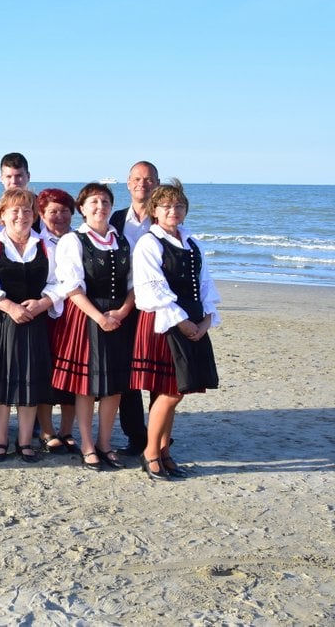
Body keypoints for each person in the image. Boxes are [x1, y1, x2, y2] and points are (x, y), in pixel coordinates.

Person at [131, 179, 220, 480]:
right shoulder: (149, 243)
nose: (173, 210)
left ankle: (164, 450)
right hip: (164, 323)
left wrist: (206, 320)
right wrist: (182, 322)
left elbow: (205, 284)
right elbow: (152, 289)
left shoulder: (192, 243)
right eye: (167, 206)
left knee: (174, 392)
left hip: (192, 321)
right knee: (171, 392)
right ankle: (150, 453)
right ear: (154, 210)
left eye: (179, 205)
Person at [0, 188, 61, 463]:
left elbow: (61, 282)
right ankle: (0, 440)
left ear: (35, 215)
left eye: (27, 210)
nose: (21, 216)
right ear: (2, 215)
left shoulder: (47, 247)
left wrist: (43, 303)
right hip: (2, 323)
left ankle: (24, 442)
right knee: (1, 382)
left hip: (35, 322)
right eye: (15, 211)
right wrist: (9, 306)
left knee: (29, 383)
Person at [51, 183, 134, 471]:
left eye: (105, 202)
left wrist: (122, 312)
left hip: (119, 316)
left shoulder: (123, 240)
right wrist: (100, 317)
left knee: (115, 386)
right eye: (94, 202)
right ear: (82, 209)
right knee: (86, 385)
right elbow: (72, 287)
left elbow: (134, 283)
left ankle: (105, 443)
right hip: (86, 316)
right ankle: (87, 444)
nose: (100, 207)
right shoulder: (73, 241)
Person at [110, 161, 161, 456]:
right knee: (127, 373)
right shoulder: (116, 219)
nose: (143, 183)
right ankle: (135, 436)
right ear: (129, 183)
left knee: (158, 373)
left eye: (149, 179)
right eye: (137, 179)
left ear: (157, 183)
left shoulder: (164, 218)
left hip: (156, 306)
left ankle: (158, 435)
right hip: (123, 305)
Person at [34, 188, 79, 454]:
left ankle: (67, 429)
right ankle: (47, 429)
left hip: (74, 313)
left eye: (64, 211)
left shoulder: (80, 240)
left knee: (71, 372)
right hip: (44, 315)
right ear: (42, 214)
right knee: (45, 371)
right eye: (53, 211)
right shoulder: (35, 242)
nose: (59, 216)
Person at [0, 153, 42, 233]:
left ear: (28, 176)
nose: (14, 181)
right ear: (2, 179)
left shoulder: (43, 209)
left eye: (18, 176)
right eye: (8, 176)